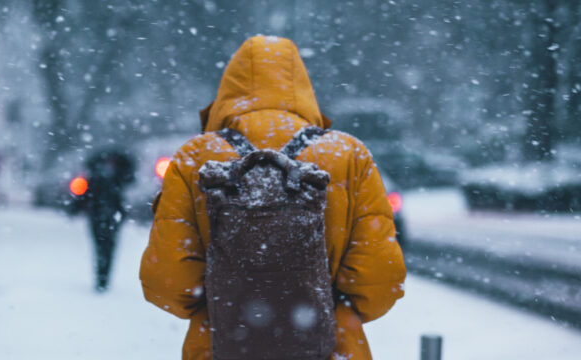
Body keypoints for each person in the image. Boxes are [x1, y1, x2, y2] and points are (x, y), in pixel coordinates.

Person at [140, 36, 407, 360]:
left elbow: (166, 283)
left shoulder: (196, 158)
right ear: (302, 87)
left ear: (228, 90)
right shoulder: (347, 155)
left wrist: (225, 304)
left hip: (218, 346)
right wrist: (327, 309)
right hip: (330, 348)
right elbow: (380, 281)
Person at [70, 148, 134, 292]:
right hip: (107, 215)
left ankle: (102, 277)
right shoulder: (115, 176)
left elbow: (84, 194)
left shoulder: (98, 175)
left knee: (102, 247)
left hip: (101, 215)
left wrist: (75, 208)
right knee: (106, 247)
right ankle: (103, 277)